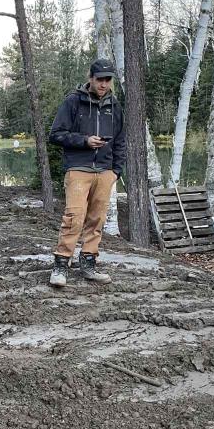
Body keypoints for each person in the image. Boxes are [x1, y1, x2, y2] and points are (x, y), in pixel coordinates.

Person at [48, 58, 126, 287]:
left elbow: (121, 141)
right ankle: (61, 264)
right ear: (90, 78)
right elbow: (56, 134)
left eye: (107, 80)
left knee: (97, 219)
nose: (103, 84)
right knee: (73, 217)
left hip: (105, 172)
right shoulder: (73, 102)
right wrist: (84, 141)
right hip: (78, 169)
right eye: (99, 79)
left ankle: (89, 263)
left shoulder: (115, 106)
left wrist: (116, 172)